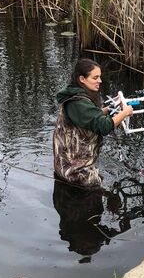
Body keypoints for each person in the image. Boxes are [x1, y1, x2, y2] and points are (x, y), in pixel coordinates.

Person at [53, 58, 133, 188]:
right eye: (95, 78)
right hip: (76, 174)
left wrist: (110, 108)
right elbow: (104, 127)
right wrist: (125, 112)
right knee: (97, 194)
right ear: (82, 79)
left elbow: (89, 117)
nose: (100, 81)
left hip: (64, 166)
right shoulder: (78, 103)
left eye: (100, 77)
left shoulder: (75, 94)